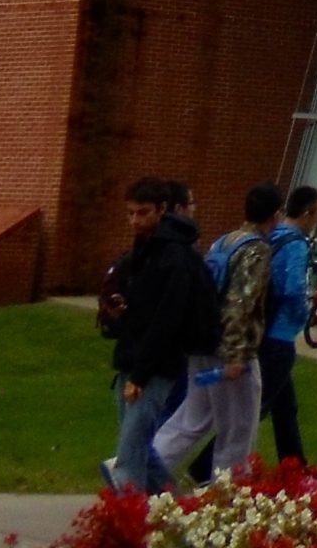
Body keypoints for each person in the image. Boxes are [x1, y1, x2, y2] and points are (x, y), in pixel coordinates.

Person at [150, 182, 279, 485]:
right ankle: (226, 494)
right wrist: (237, 356)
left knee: (192, 417)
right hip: (231, 351)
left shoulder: (223, 242)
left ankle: (141, 468)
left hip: (202, 342)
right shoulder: (255, 250)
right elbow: (241, 303)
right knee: (238, 427)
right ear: (274, 215)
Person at [97, 175, 215, 494]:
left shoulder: (175, 256)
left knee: (129, 460)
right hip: (133, 359)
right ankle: (178, 513)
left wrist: (141, 373)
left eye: (143, 212)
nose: (135, 220)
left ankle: (131, 527)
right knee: (141, 451)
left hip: (155, 367)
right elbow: (145, 310)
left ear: (163, 210)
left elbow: (167, 319)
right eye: (131, 213)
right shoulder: (144, 250)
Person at [259, 185, 317, 465]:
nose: (316, 222)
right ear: (307, 213)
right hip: (280, 335)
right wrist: (304, 313)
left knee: (285, 406)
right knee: (257, 407)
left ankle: (294, 463)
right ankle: (204, 466)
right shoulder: (296, 243)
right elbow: (293, 288)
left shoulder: (271, 237)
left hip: (265, 328)